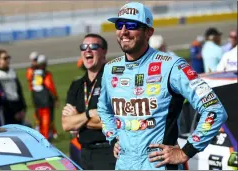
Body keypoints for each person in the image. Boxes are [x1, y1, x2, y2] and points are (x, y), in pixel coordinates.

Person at [97, 2, 228, 170]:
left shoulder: (172, 66)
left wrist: (186, 151)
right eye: (119, 25)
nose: (124, 31)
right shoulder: (110, 69)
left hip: (159, 165)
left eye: (132, 25)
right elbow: (103, 108)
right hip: (124, 165)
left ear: (148, 32)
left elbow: (214, 109)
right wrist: (113, 137)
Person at [61, 33, 116, 170]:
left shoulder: (114, 81)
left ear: (104, 51)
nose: (88, 50)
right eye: (84, 47)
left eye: (93, 46)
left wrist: (78, 119)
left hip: (110, 151)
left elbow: (111, 121)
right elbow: (66, 124)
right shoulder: (77, 85)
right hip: (84, 153)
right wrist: (89, 114)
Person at [0, 49, 27, 125]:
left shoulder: (12, 72)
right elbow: (1, 96)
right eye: (4, 58)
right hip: (5, 109)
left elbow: (19, 90)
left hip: (17, 107)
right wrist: (14, 112)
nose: (7, 60)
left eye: (8, 58)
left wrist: (23, 108)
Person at [30, 54, 59, 140]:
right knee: (46, 119)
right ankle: (45, 137)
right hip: (45, 100)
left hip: (36, 99)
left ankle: (41, 136)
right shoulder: (46, 74)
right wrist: (55, 98)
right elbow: (50, 86)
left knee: (39, 119)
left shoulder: (33, 73)